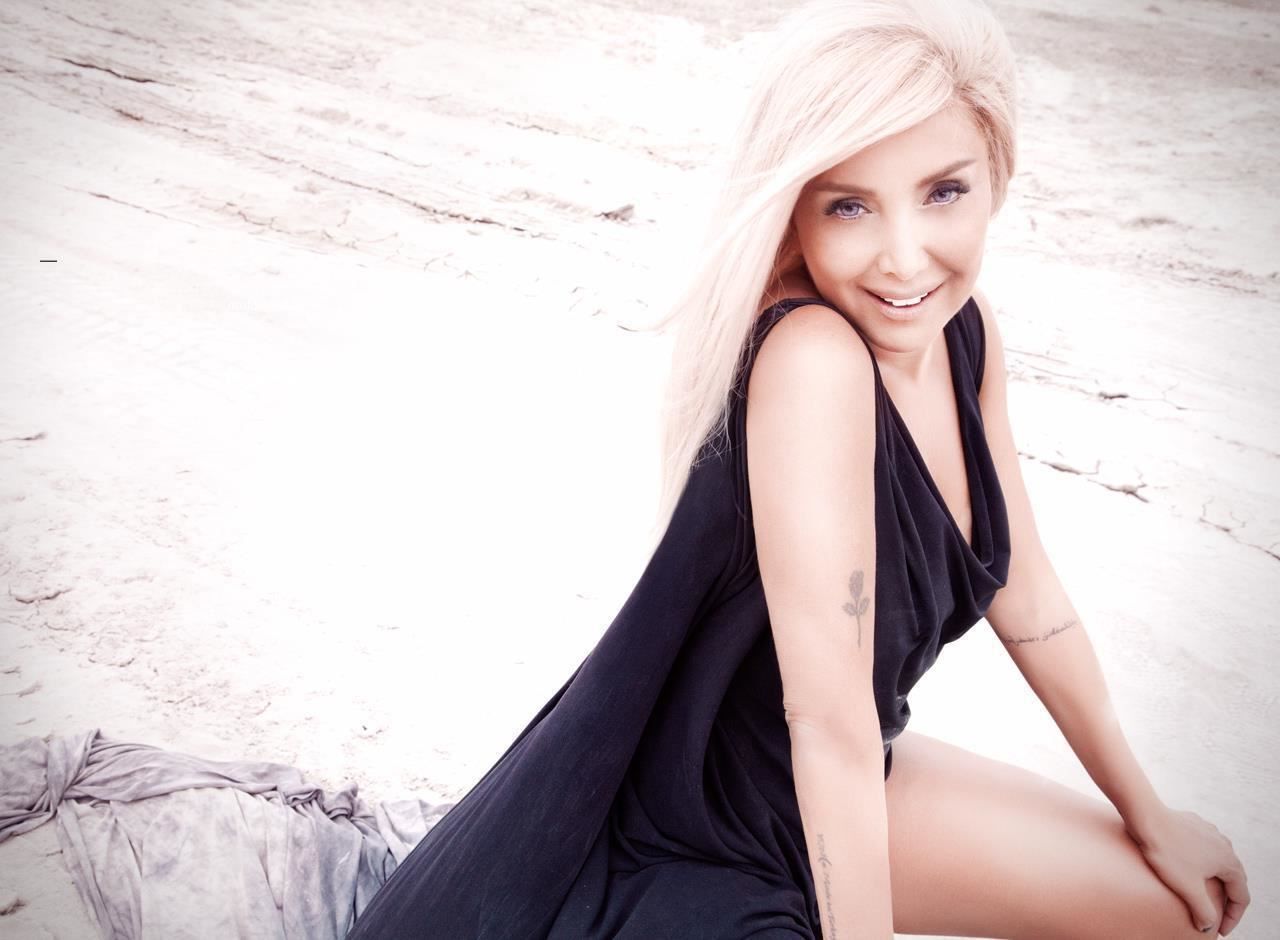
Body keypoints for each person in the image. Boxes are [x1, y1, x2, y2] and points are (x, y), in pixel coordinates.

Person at [346, 0, 1250, 937]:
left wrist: (1152, 814)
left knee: (1172, 910)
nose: (906, 260)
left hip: (843, 772)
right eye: (849, 205)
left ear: (997, 175)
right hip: (691, 824)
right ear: (795, 218)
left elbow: (1028, 590)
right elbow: (827, 722)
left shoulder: (964, 334)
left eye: (944, 192)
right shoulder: (813, 358)